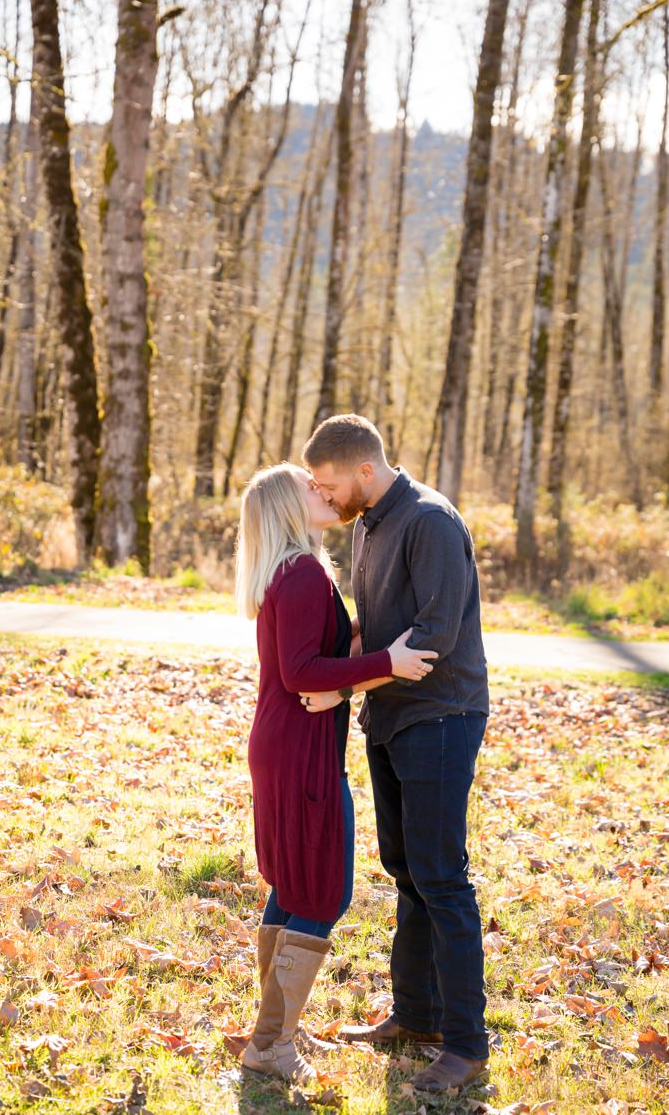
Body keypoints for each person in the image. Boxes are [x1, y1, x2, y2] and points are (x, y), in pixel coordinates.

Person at [298, 414, 490, 1094]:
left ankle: (466, 1044)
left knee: (442, 875)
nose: (325, 495)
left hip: (442, 715)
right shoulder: (369, 523)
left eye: (328, 483)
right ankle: (416, 1015)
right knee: (405, 866)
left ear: (365, 471)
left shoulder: (431, 521)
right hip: (391, 717)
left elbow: (430, 640)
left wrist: (352, 678)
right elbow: (379, 628)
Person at [233, 462, 438, 1082]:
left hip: (288, 742)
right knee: (322, 892)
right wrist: (387, 661)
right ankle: (271, 1046)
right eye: (308, 487)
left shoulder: (297, 571)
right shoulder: (298, 575)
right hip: (298, 749)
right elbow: (301, 672)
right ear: (286, 509)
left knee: (292, 886)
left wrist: (365, 648)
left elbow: (317, 656)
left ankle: (270, 1031)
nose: (322, 491)